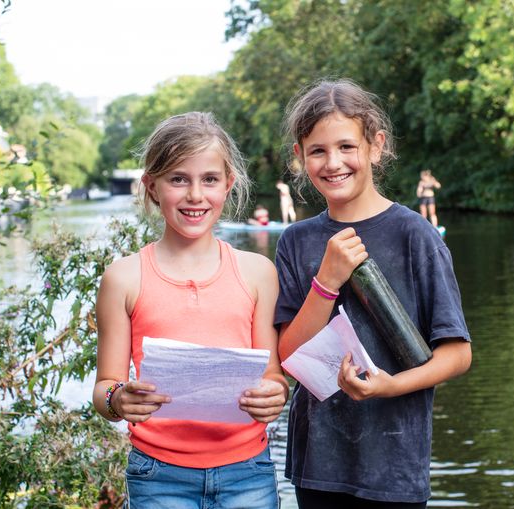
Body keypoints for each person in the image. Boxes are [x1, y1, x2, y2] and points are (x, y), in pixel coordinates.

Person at [274, 79, 472, 509]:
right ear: (300, 157)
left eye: (347, 146)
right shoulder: (295, 241)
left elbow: (457, 354)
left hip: (395, 465)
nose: (333, 162)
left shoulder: (415, 236)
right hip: (318, 467)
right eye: (318, 151)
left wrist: (390, 386)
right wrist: (326, 281)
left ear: (376, 146)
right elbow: (289, 357)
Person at [93, 112, 288, 509]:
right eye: (178, 179)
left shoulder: (258, 272)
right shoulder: (123, 278)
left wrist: (275, 394)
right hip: (158, 474)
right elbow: (106, 386)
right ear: (151, 186)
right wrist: (118, 399)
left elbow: (273, 377)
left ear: (228, 185)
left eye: (209, 180)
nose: (195, 195)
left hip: (248, 471)